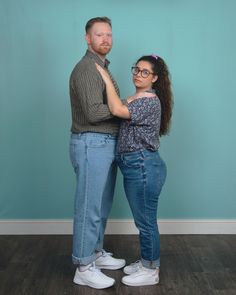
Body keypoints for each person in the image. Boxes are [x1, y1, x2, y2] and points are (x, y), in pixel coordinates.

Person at [95, 54, 173, 287]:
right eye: (136, 70)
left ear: (155, 78)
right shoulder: (138, 96)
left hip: (143, 165)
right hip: (135, 164)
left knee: (146, 221)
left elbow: (118, 110)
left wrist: (106, 78)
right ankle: (146, 260)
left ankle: (151, 269)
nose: (138, 75)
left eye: (145, 72)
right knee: (144, 220)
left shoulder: (149, 100)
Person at [69, 16, 125, 289]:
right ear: (87, 38)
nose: (106, 39)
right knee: (89, 207)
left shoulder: (101, 67)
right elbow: (93, 113)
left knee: (101, 206)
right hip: (92, 143)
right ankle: (83, 265)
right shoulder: (87, 69)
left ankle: (96, 253)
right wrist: (125, 106)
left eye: (109, 35)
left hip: (105, 144)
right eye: (99, 34)